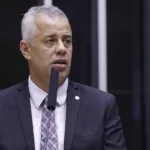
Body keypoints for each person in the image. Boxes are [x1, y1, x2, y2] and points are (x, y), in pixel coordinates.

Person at [0, 5, 126, 150]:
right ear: (26, 49)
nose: (62, 48)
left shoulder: (101, 106)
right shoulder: (2, 106)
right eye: (50, 41)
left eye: (67, 41)